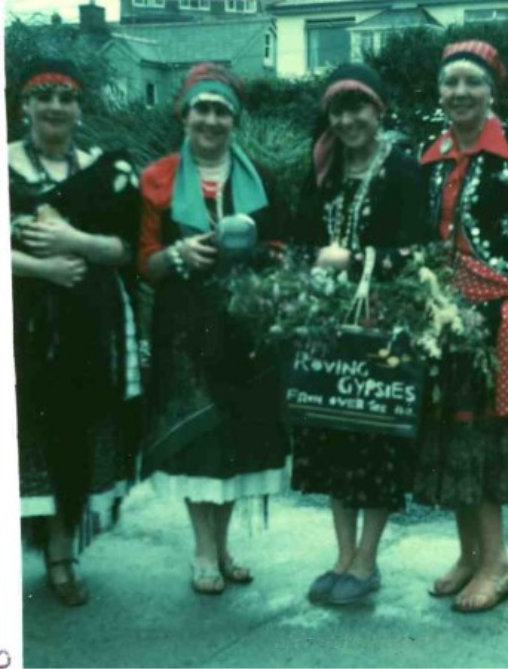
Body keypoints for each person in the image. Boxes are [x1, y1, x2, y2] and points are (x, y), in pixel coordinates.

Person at [138, 63, 290, 595]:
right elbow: (144, 263)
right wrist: (178, 253)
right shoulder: (157, 179)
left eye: (221, 110)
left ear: (235, 120)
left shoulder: (262, 180)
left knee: (237, 441)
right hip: (185, 329)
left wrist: (260, 260)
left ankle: (223, 546)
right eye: (201, 108)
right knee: (200, 440)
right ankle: (203, 549)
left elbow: (281, 249)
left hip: (246, 329)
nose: (210, 119)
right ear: (184, 114)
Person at [416, 40, 508, 613]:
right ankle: (469, 554)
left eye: (472, 82)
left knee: (485, 443)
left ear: (491, 90)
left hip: (502, 316)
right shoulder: (431, 152)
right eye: (451, 83)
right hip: (446, 320)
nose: (460, 93)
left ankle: (497, 566)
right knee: (452, 436)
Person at [289, 63, 430, 605]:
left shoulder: (402, 169)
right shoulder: (323, 167)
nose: (349, 119)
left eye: (358, 107)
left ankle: (367, 560)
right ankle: (342, 555)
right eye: (339, 109)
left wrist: (351, 260)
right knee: (331, 439)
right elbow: (301, 241)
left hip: (380, 325)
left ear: (379, 110)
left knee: (373, 444)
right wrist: (310, 268)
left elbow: (418, 254)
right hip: (329, 326)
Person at [9, 59, 141, 606]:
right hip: (18, 326)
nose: (56, 107)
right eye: (44, 97)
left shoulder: (104, 170)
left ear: (79, 109)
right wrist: (44, 268)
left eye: (66, 97)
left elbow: (125, 249)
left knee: (74, 434)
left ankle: (62, 555)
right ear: (24, 106)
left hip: (87, 329)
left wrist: (69, 240)